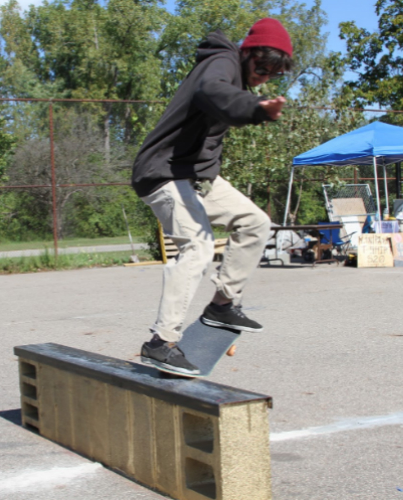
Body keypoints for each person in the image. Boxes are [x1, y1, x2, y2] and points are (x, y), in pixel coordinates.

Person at [131, 18, 293, 375]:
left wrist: (252, 103)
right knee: (198, 247)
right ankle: (161, 342)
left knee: (255, 222)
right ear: (247, 53)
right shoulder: (221, 63)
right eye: (262, 68)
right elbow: (211, 91)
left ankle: (222, 304)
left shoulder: (238, 76)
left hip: (196, 177)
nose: (263, 78)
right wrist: (253, 108)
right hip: (162, 173)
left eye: (272, 74)